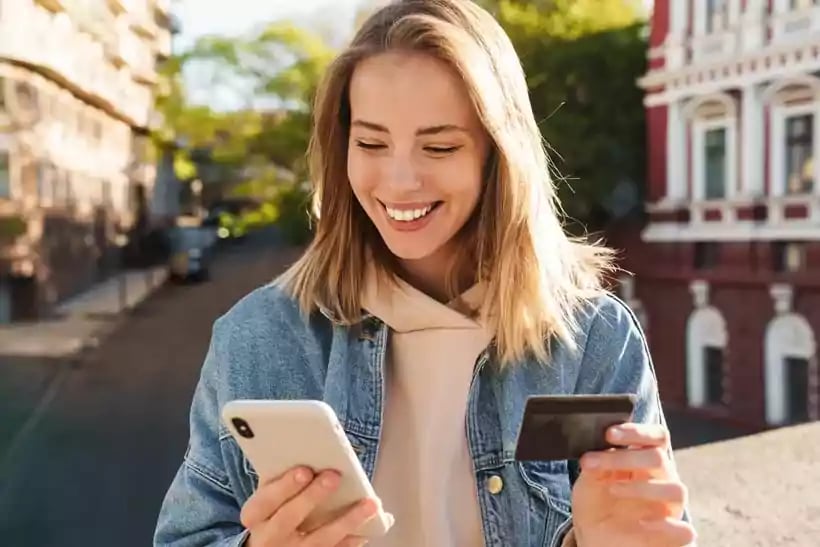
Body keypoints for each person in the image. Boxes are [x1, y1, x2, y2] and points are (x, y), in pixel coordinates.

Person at [154, 1, 696, 546]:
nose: (400, 180)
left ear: (498, 155)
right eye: (370, 143)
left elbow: (648, 527)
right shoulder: (258, 338)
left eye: (439, 146)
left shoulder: (595, 340)